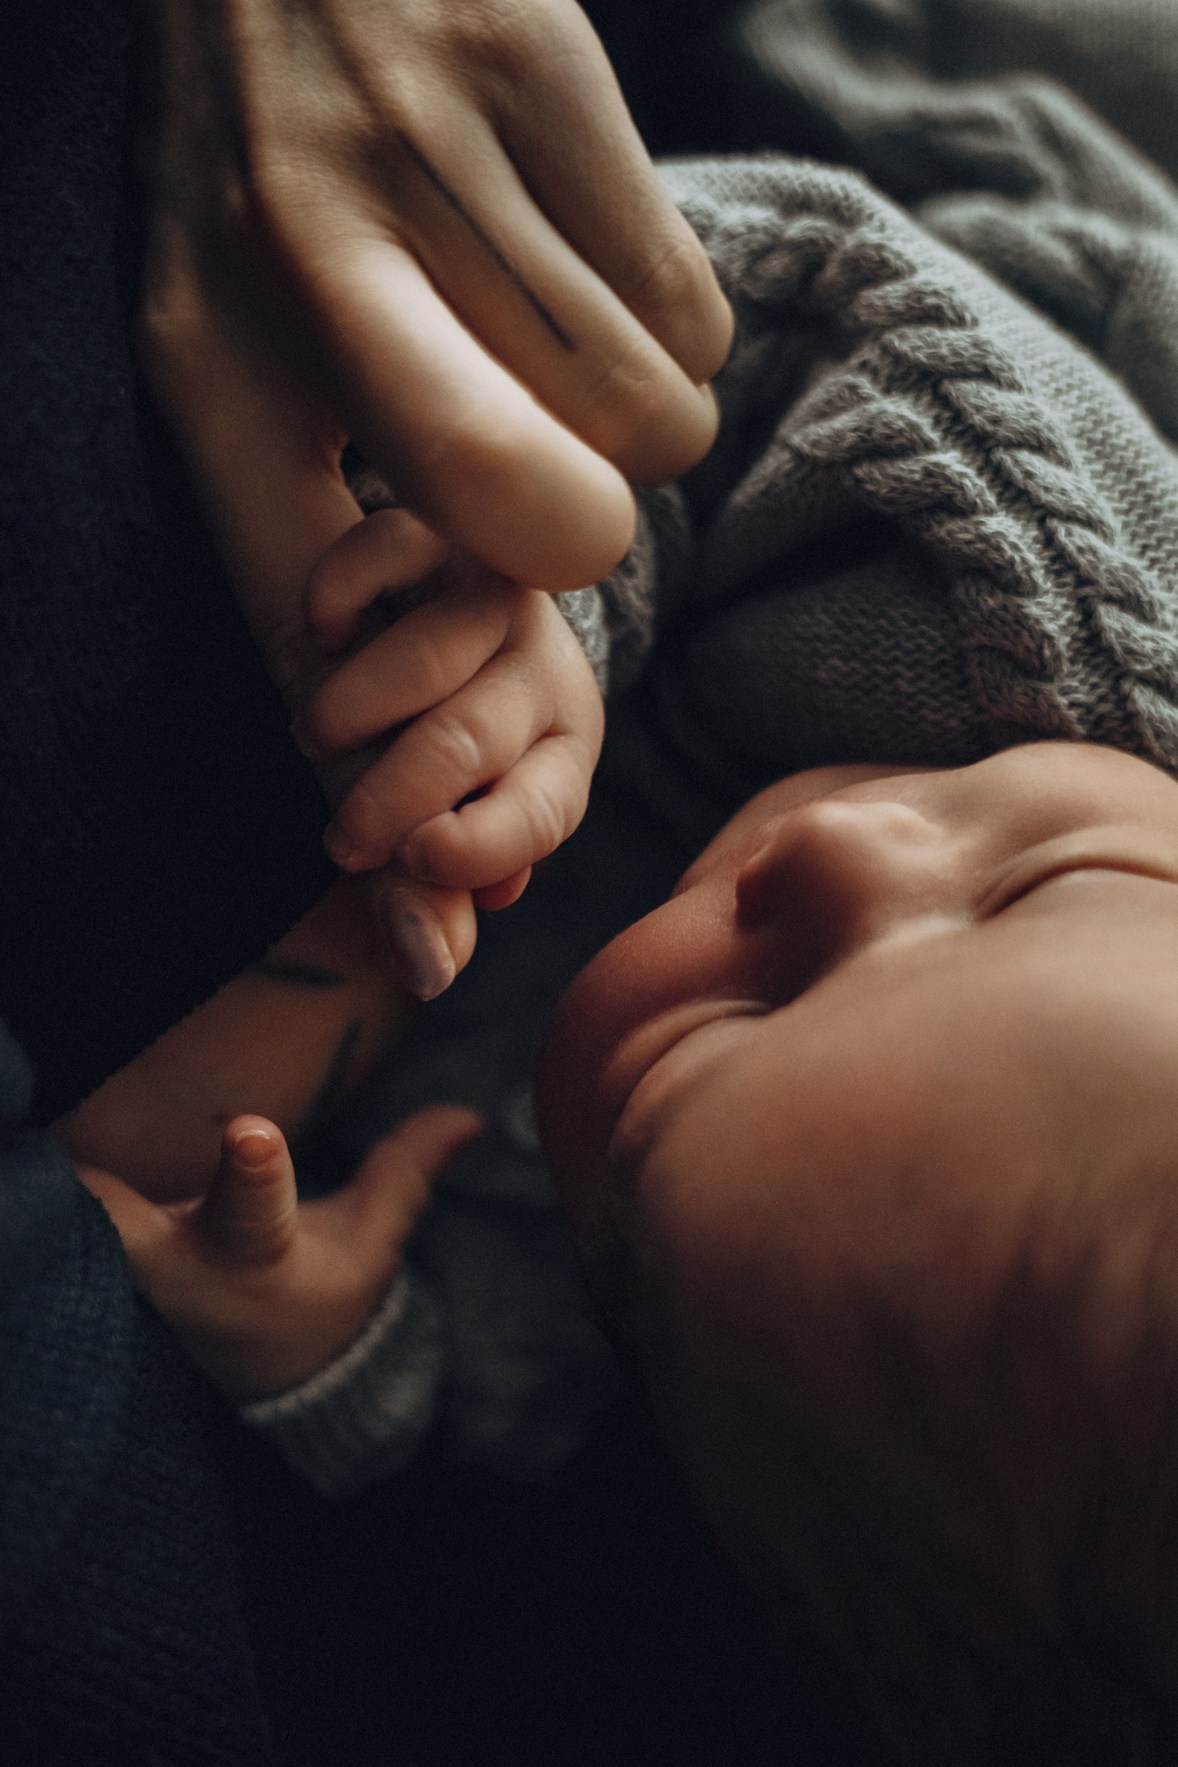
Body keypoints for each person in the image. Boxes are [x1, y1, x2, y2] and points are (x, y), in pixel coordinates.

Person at [74, 25, 1178, 1752]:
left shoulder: (698, 1333)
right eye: (1047, 878)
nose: (849, 848)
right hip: (893, 217)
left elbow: (500, 1382)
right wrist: (548, 589)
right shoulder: (1059, 599)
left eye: (693, 1064)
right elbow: (799, 306)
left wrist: (326, 1348)